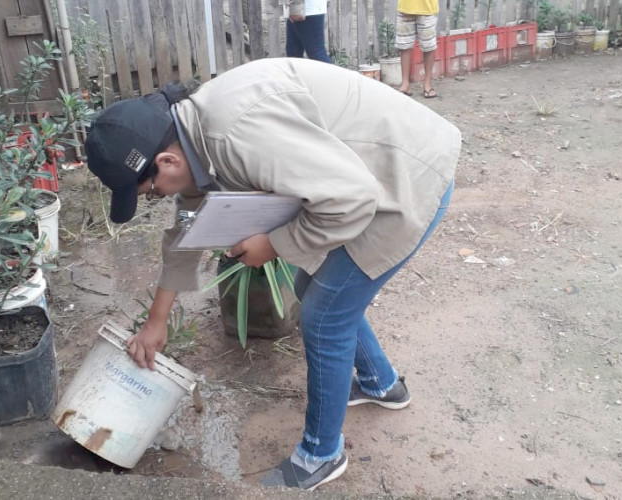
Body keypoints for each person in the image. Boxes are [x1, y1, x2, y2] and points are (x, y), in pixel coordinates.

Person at [85, 58, 460, 491]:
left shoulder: (234, 134)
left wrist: (275, 244)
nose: (159, 198)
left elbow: (352, 200)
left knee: (324, 316)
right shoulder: (192, 137)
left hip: (407, 176)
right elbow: (185, 230)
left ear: (166, 162)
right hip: (370, 172)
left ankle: (321, 454)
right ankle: (382, 385)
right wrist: (156, 321)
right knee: (309, 284)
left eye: (151, 193)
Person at [395, 0, 439, 98]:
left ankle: (427, 84)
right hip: (405, 7)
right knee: (404, 45)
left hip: (427, 8)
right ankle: (405, 84)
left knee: (429, 46)